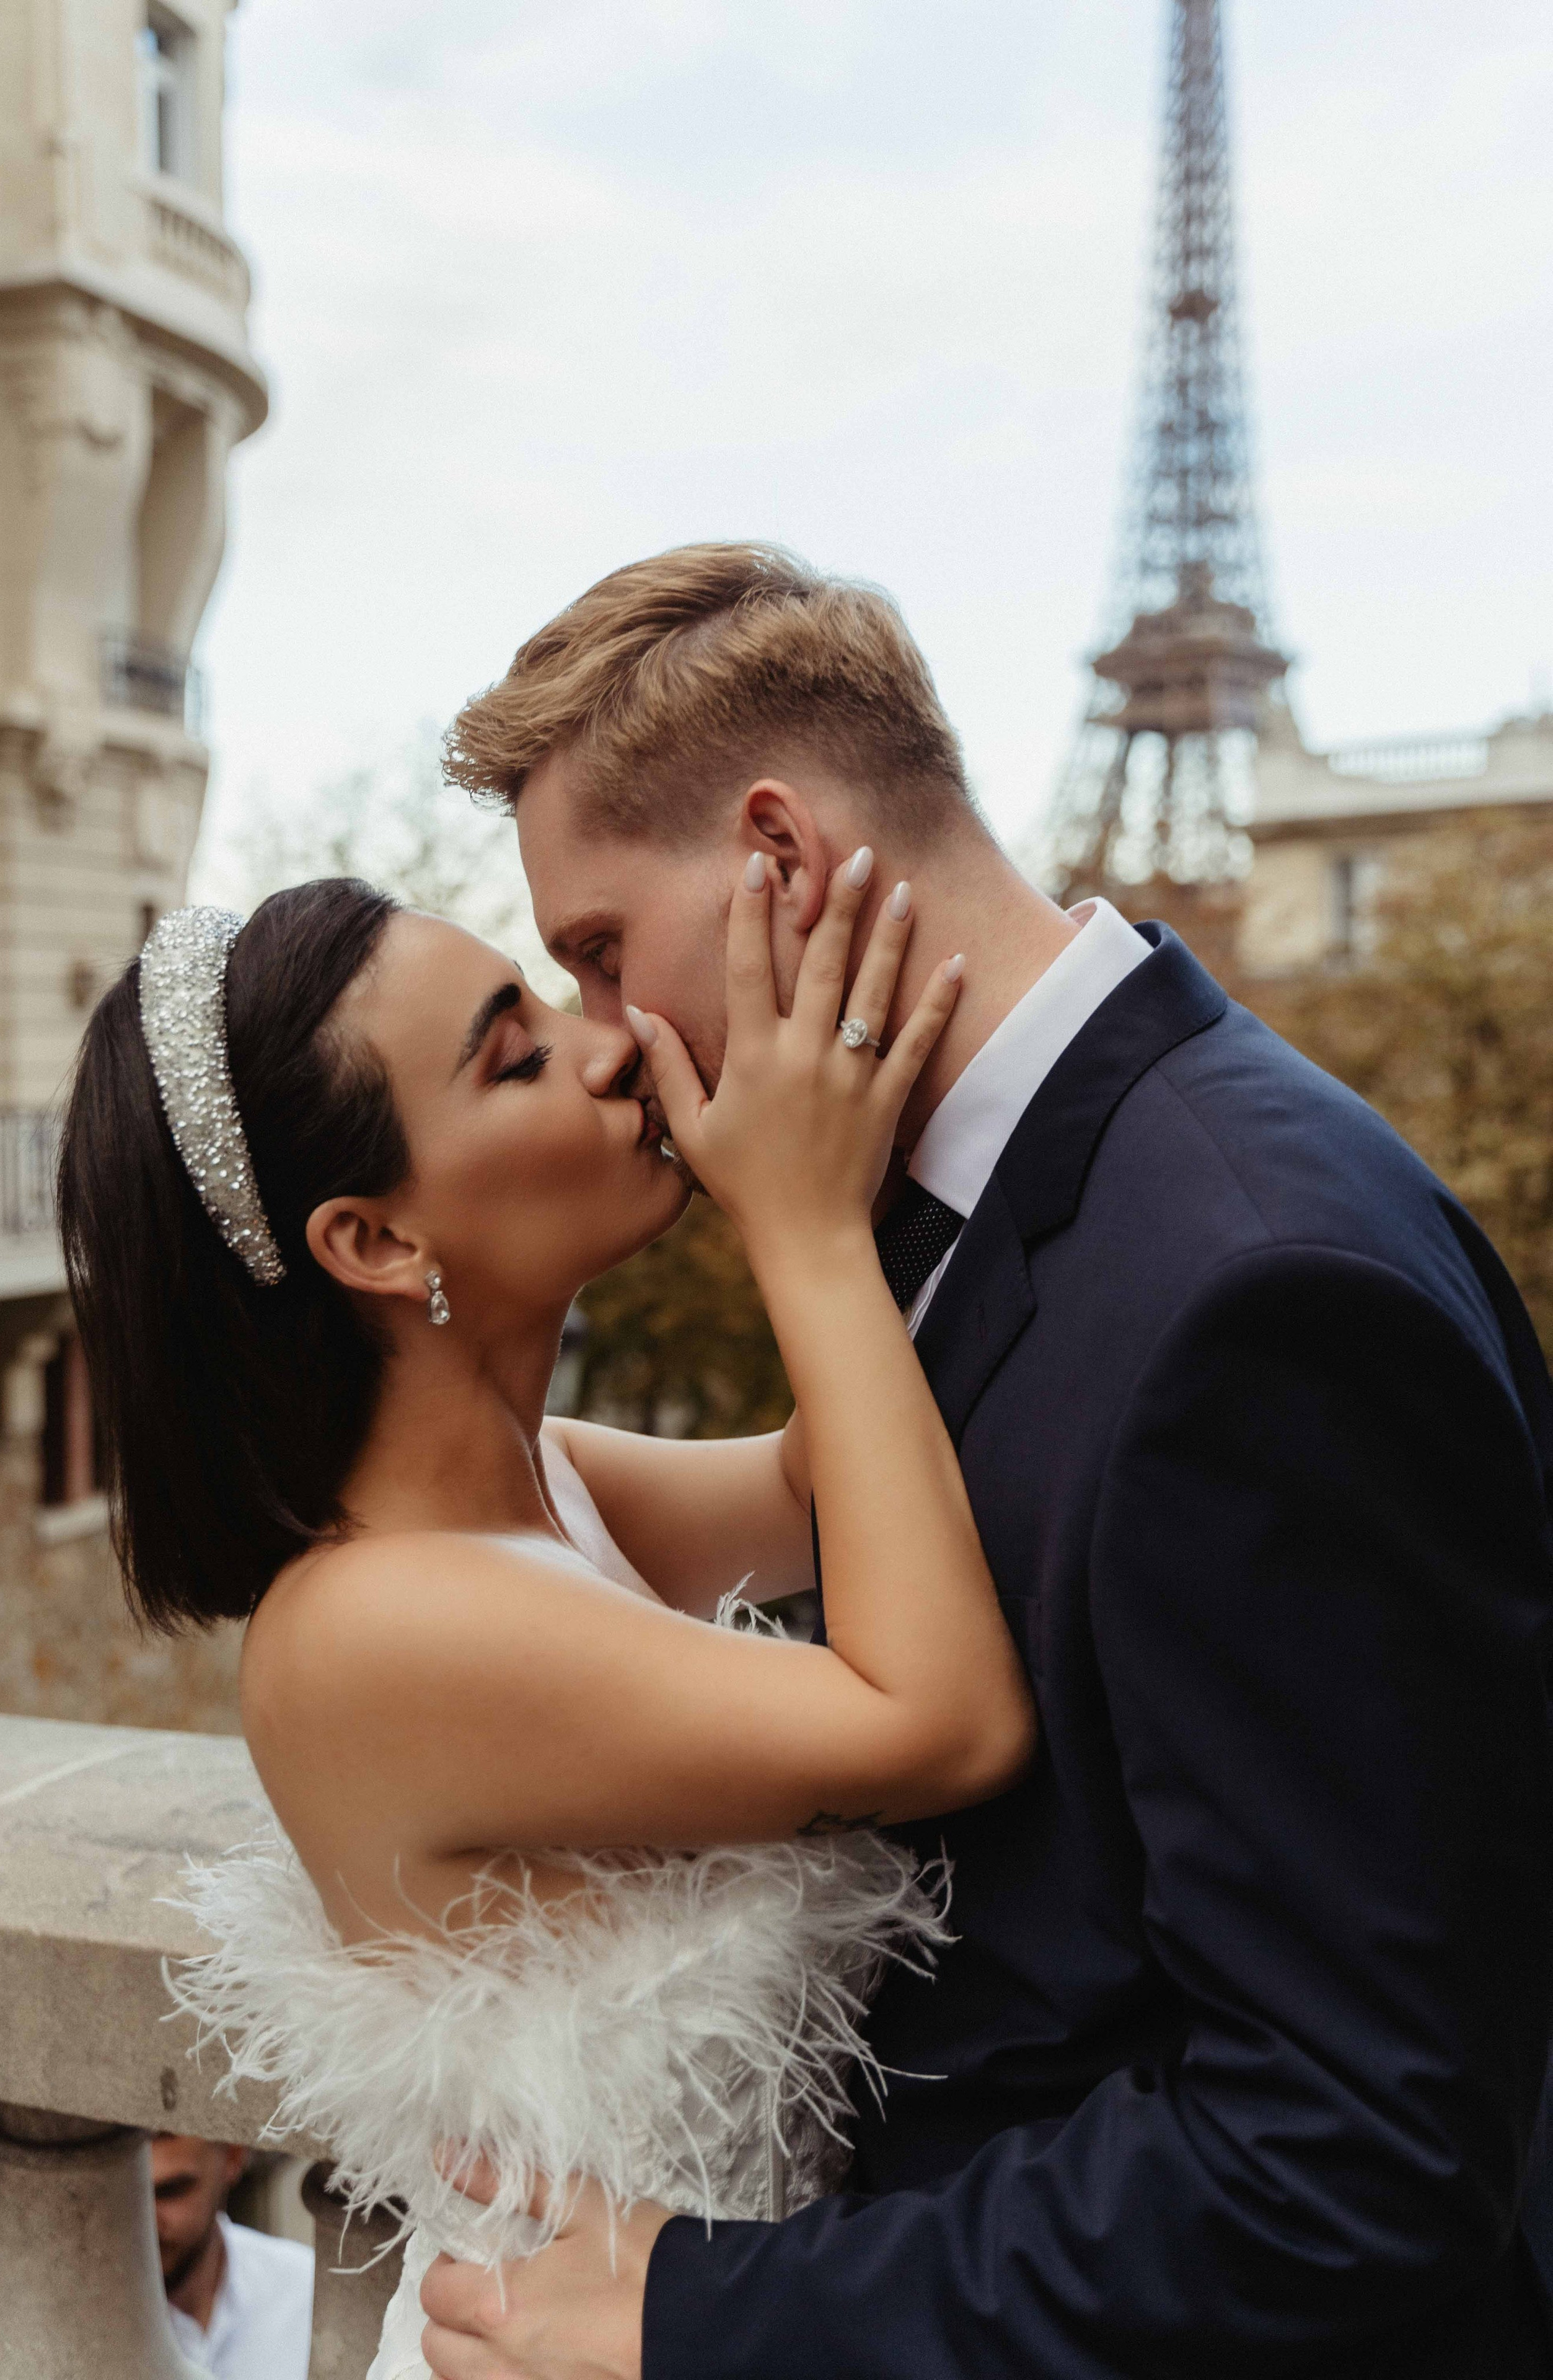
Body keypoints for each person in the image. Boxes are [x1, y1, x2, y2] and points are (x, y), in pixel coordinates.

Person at [413, 542, 1553, 2379]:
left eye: (603, 954)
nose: (615, 1044)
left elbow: (1345, 2156)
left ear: (776, 861)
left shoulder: (1248, 1292)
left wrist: (714, 2312)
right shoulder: (1010, 1208)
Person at [58, 861, 1036, 2379]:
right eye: (516, 1056)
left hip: (725, 2319)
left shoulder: (547, 1486)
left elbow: (833, 1474)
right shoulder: (376, 1618)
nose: (612, 1045)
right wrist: (803, 1229)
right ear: (374, 1243)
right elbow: (942, 1719)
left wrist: (858, 1100)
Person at [152, 2135, 314, 2380]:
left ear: (233, 2156)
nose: (147, 2220)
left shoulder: (308, 2292)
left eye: (171, 2191)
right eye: (128, 2195)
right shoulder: (80, 2319)